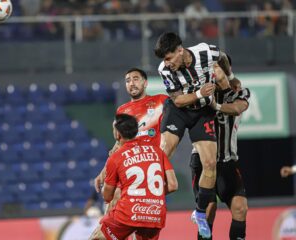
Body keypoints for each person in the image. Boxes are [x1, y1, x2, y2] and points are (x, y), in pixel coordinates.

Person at [154, 32, 233, 238]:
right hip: (179, 111)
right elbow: (178, 100)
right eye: (164, 59)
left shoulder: (206, 51)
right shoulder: (164, 70)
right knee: (165, 150)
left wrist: (230, 77)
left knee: (210, 164)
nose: (166, 63)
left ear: (180, 50)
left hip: (203, 113)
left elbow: (222, 56)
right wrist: (200, 93)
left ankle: (199, 212)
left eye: (169, 57)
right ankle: (149, 196)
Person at [94, 68, 178, 204]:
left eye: (135, 79)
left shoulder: (161, 101)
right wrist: (103, 172)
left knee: (120, 199)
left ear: (145, 83)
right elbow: (119, 144)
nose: (131, 83)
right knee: (114, 201)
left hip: (150, 164)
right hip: (130, 164)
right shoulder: (122, 110)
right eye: (128, 81)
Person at [190, 57, 250, 240]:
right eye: (210, 67)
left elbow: (238, 108)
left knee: (240, 208)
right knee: (209, 210)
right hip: (203, 161)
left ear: (226, 69)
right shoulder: (202, 94)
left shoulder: (240, 92)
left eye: (216, 66)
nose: (213, 70)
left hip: (228, 162)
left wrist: (216, 106)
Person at [91, 114, 170, 240]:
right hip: (155, 213)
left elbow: (107, 196)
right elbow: (173, 185)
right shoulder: (157, 151)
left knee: (97, 237)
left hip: (128, 212)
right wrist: (150, 197)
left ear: (117, 134)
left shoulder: (116, 157)